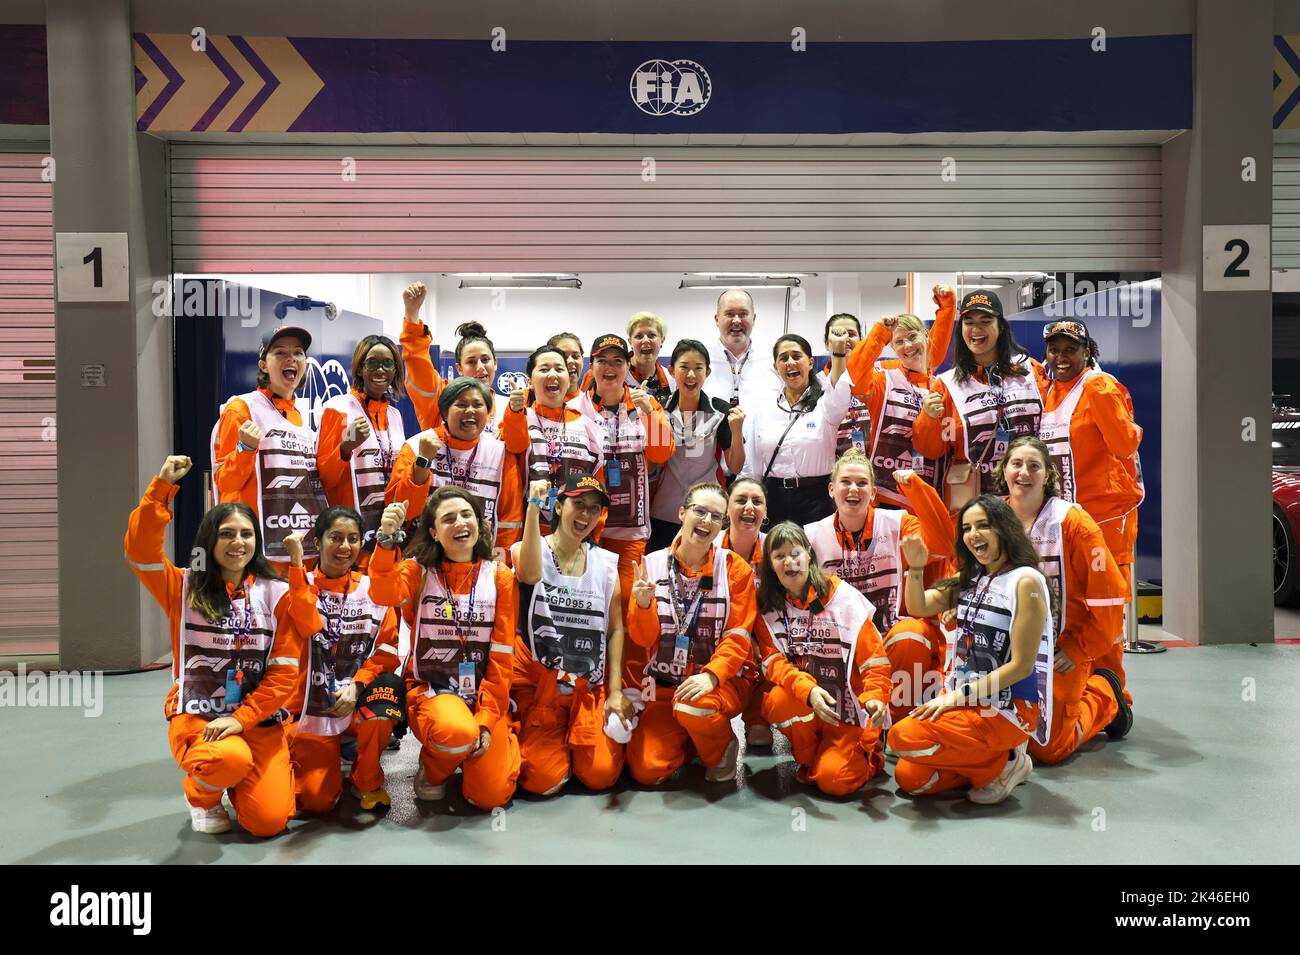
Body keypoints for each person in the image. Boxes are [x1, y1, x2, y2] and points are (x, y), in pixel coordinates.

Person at [125, 455, 316, 836]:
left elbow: (282, 676)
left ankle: (241, 775)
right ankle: (202, 795)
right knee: (226, 759)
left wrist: (240, 719)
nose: (237, 542)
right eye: (227, 533)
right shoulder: (183, 587)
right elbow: (141, 553)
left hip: (255, 721)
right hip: (201, 717)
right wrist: (160, 490)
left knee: (268, 822)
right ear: (209, 542)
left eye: (246, 534)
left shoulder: (277, 594)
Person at [890, 495, 1053, 804]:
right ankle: (993, 764)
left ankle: (1006, 761)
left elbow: (1021, 666)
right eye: (966, 528)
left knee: (902, 736)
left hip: (1009, 708)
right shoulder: (973, 577)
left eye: (983, 526)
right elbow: (918, 605)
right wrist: (915, 568)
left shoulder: (1024, 581)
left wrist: (956, 696)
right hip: (968, 701)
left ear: (1004, 529)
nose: (972, 534)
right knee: (911, 779)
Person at [368, 489, 520, 808]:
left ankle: (483, 742)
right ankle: (434, 769)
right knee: (456, 733)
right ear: (434, 533)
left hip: (482, 695)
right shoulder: (418, 571)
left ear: (479, 523)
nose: (460, 523)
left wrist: (487, 721)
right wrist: (384, 541)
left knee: (488, 797)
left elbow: (503, 658)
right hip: (432, 690)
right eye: (448, 519)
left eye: (467, 515)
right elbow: (382, 593)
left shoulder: (501, 577)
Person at [996, 436, 1133, 758]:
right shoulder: (991, 517)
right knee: (994, 732)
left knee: (1048, 747)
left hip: (1058, 649)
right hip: (1003, 650)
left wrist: (1078, 647)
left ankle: (1105, 695)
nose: (1024, 473)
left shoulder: (1073, 522)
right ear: (1004, 471)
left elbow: (1109, 596)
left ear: (1048, 475)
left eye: (1034, 466)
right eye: (1016, 464)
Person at [1037, 319, 1143, 705]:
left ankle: (1115, 697)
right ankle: (1084, 693)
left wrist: (1104, 399)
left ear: (1087, 351)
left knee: (1106, 608)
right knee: (1074, 607)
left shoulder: (1099, 385)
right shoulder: (1049, 391)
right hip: (1067, 523)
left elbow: (1123, 442)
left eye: (1071, 349)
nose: (1061, 357)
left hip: (1106, 521)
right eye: (1054, 349)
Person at [803, 450, 952, 723]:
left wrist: (917, 490)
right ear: (831, 489)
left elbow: (943, 544)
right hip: (839, 643)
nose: (853, 489)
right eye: (846, 482)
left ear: (873, 492)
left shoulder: (898, 524)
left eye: (862, 483)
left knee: (914, 635)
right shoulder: (811, 535)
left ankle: (894, 722)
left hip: (888, 634)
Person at [625, 481, 758, 785]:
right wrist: (643, 605)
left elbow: (737, 638)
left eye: (716, 516)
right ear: (682, 512)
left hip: (717, 684)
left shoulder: (735, 569)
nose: (706, 521)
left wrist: (711, 675)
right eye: (700, 511)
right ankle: (690, 740)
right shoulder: (651, 565)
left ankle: (722, 748)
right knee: (647, 771)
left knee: (693, 704)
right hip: (664, 686)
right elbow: (643, 640)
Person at [511, 475, 635, 794]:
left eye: (594, 509)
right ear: (558, 504)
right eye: (578, 504)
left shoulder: (606, 564)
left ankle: (576, 750)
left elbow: (616, 628)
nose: (585, 515)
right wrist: (532, 509)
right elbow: (528, 573)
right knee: (542, 783)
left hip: (587, 688)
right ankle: (555, 751)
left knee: (601, 777)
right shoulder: (527, 549)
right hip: (542, 690)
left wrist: (617, 690)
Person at [753, 522, 892, 795]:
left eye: (795, 553)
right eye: (779, 556)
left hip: (848, 712)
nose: (789, 562)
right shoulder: (767, 610)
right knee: (777, 701)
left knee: (835, 783)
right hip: (810, 704)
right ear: (770, 566)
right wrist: (810, 691)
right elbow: (774, 665)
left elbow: (874, 660)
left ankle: (869, 756)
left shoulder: (843, 598)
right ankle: (808, 757)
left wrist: (876, 696)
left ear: (809, 555)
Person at [284, 506, 403, 814]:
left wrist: (358, 686)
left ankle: (366, 780)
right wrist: (297, 564)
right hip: (311, 708)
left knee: (388, 689)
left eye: (353, 538)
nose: (345, 547)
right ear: (318, 541)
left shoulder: (372, 590)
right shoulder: (298, 586)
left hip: (354, 701)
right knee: (317, 802)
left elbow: (387, 652)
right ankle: (324, 750)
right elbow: (306, 623)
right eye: (335, 537)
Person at [912, 291, 1044, 508]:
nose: (976, 329)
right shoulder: (948, 384)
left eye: (986, 321)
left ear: (1000, 326)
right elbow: (930, 449)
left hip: (1031, 502)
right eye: (969, 322)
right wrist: (928, 418)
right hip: (977, 506)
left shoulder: (1030, 372)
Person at [569, 333, 676, 599]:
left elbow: (662, 453)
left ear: (627, 367)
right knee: (586, 600)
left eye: (617, 361)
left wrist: (650, 415)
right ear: (591, 367)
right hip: (584, 525)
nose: (609, 368)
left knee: (628, 602)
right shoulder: (573, 408)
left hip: (630, 529)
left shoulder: (645, 404)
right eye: (602, 361)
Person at [210, 325, 327, 563]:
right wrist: (245, 449)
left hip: (299, 548)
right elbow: (225, 481)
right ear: (263, 365)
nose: (291, 358)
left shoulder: (302, 417)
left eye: (298, 353)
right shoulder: (242, 408)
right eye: (280, 353)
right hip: (256, 551)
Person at [845, 286, 957, 510]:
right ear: (892, 347)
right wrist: (879, 334)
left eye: (913, 337)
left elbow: (934, 449)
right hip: (887, 498)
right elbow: (855, 377)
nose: (907, 346)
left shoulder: (943, 386)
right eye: (898, 342)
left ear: (926, 336)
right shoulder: (884, 378)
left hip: (928, 498)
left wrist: (947, 307)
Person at [386, 377, 521, 560]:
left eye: (478, 404)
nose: (470, 411)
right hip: (423, 563)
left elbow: (510, 519)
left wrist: (499, 562)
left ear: (488, 413)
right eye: (461, 404)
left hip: (478, 565)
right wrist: (422, 463)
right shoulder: (416, 445)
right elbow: (401, 511)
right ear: (444, 412)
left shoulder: (501, 453)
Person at [739, 333, 853, 526]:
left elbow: (840, 391)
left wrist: (838, 354)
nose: (790, 362)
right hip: (773, 498)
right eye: (783, 358)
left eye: (796, 356)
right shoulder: (763, 410)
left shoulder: (825, 403)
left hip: (816, 497)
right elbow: (752, 467)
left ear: (810, 363)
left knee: (817, 554)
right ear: (776, 368)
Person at [648, 339, 745, 552]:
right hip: (665, 512)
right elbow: (652, 464)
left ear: (707, 372)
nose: (691, 375)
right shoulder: (658, 411)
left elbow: (736, 466)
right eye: (684, 367)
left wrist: (737, 431)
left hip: (707, 513)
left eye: (698, 368)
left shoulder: (720, 411)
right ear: (672, 371)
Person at [316, 335, 407, 555]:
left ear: (396, 370)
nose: (381, 370)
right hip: (350, 537)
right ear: (359, 368)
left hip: (388, 531)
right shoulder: (337, 409)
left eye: (388, 363)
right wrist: (345, 448)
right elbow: (324, 478)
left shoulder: (395, 416)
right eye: (373, 363)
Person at [500, 344, 605, 528]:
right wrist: (515, 412)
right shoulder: (519, 418)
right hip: (530, 532)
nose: (552, 375)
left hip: (576, 532)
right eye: (544, 369)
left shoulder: (588, 425)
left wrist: (593, 535)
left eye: (559, 369)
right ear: (530, 381)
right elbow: (515, 445)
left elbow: (598, 485)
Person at [397, 283, 508, 437]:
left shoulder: (510, 407)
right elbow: (418, 364)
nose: (480, 367)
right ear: (459, 368)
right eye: (471, 361)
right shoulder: (442, 401)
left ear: (495, 364)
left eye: (485, 359)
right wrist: (412, 313)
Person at [719, 478, 772, 747]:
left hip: (761, 638)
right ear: (727, 508)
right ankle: (717, 722)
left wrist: (754, 638)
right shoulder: (709, 544)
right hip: (717, 636)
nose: (749, 507)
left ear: (765, 511)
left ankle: (757, 718)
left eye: (757, 501)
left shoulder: (776, 550)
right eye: (740, 500)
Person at [582, 312, 675, 405]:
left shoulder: (672, 378)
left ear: (662, 340)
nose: (646, 340)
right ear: (630, 342)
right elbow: (582, 408)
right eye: (639, 336)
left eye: (652, 335)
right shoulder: (598, 374)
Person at [817, 313, 872, 457]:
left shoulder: (877, 378)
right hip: (830, 469)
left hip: (872, 470)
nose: (844, 339)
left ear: (862, 340)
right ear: (826, 342)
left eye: (852, 334)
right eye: (837, 334)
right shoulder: (816, 384)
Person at [705, 288, 761, 408]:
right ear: (717, 319)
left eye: (743, 314)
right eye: (729, 314)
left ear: (754, 318)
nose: (736, 320)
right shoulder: (702, 362)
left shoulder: (772, 361)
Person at [548, 332, 586, 403]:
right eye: (564, 357)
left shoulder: (591, 406)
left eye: (575, 356)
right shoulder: (529, 402)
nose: (570, 361)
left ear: (582, 361)